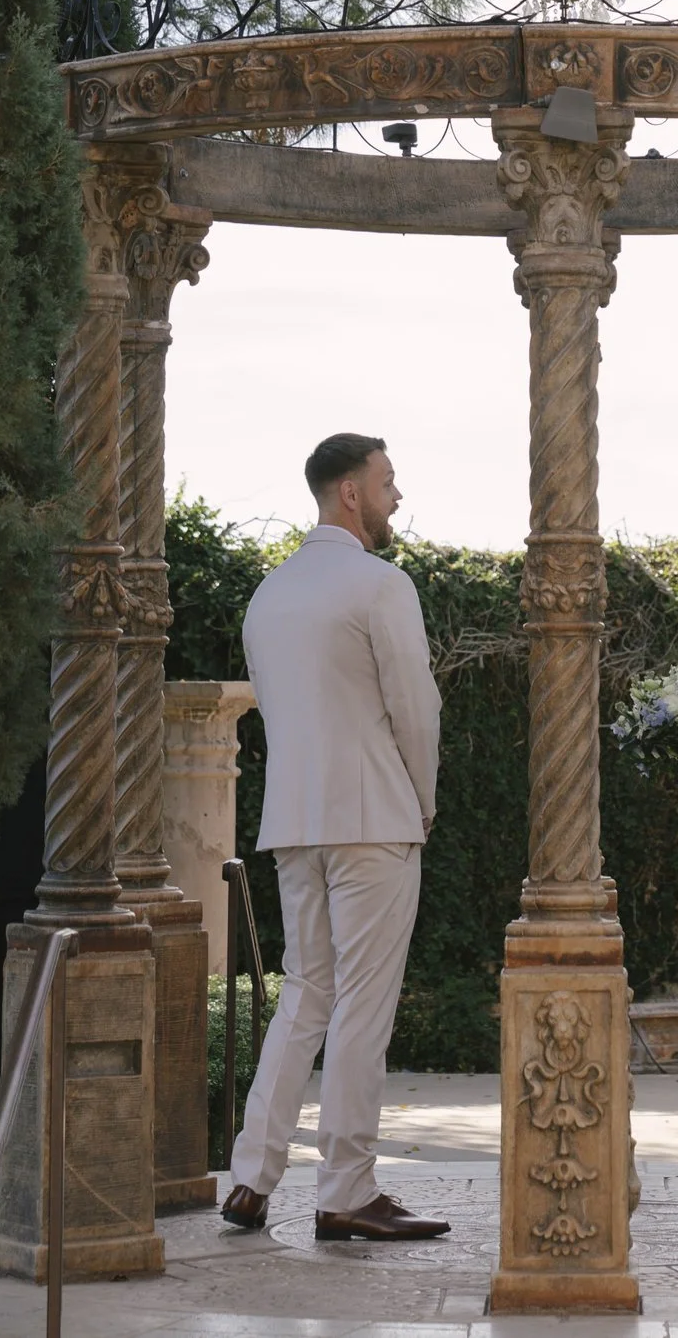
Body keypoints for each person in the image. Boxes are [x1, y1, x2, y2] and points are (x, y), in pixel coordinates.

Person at [220, 433, 450, 1242]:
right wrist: (420, 800)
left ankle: (251, 1176)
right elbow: (416, 712)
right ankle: (345, 1188)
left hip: (293, 824)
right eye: (387, 481)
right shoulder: (380, 584)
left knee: (305, 995)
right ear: (349, 492)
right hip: (374, 819)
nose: (396, 494)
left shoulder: (266, 596)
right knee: (361, 1004)